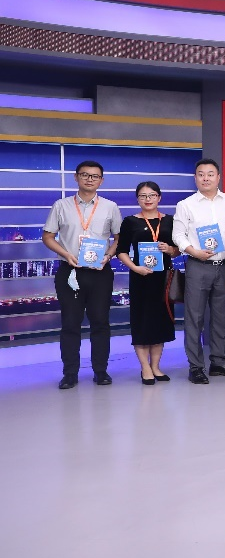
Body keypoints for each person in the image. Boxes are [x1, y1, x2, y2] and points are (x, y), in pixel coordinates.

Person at [42, 160, 123, 388]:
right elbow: (48, 236)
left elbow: (119, 238)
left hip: (100, 272)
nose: (89, 179)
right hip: (70, 271)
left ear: (101, 181)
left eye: (94, 176)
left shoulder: (110, 207)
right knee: (70, 323)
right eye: (85, 175)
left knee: (100, 322)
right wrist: (66, 254)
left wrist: (108, 255)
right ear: (76, 177)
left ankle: (101, 371)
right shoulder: (61, 205)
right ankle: (70, 373)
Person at [173, 159, 225, 384]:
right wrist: (193, 251)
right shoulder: (186, 204)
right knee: (195, 318)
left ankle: (218, 362)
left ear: (218, 177)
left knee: (220, 316)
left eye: (210, 174)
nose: (206, 178)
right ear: (195, 178)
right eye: (201, 174)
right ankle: (196, 366)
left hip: (224, 266)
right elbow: (178, 235)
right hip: (197, 265)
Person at [115, 181, 178, 384]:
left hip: (163, 278)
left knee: (160, 322)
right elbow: (121, 251)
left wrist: (170, 250)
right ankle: (145, 368)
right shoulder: (130, 222)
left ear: (159, 198)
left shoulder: (169, 221)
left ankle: (156, 367)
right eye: (143, 196)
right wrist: (134, 268)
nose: (148, 199)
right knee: (142, 323)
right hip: (140, 277)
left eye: (152, 195)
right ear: (137, 199)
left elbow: (177, 249)